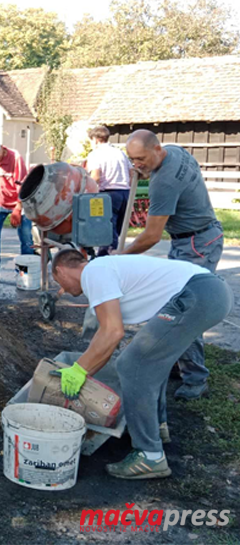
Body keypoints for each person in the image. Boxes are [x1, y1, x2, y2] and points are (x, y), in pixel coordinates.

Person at [51, 250, 232, 479]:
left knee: (131, 365)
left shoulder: (93, 272)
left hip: (198, 294)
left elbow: (112, 332)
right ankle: (156, 427)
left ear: (60, 269)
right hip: (209, 292)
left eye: (59, 283)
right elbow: (109, 335)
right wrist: (84, 368)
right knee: (152, 360)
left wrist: (79, 370)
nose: (63, 290)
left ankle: (150, 456)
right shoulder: (105, 269)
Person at [122, 129, 224, 400]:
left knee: (187, 309)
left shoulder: (163, 184)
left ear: (157, 150)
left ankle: (196, 378)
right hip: (200, 235)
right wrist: (144, 170)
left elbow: (151, 236)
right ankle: (180, 364)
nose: (137, 165)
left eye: (141, 158)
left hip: (196, 244)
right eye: (132, 160)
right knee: (176, 303)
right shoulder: (177, 151)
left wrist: (121, 256)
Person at [0, 138, 35, 282]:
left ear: (2, 149)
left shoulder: (15, 158)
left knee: (26, 238)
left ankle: (26, 274)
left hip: (19, 202)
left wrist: (18, 208)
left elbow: (24, 185)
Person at [85, 125, 133, 256]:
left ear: (95, 139)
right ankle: (115, 254)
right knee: (118, 231)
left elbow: (95, 176)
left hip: (108, 193)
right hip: (125, 192)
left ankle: (105, 258)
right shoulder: (120, 153)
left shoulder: (96, 154)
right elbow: (132, 173)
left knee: (106, 231)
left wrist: (87, 194)